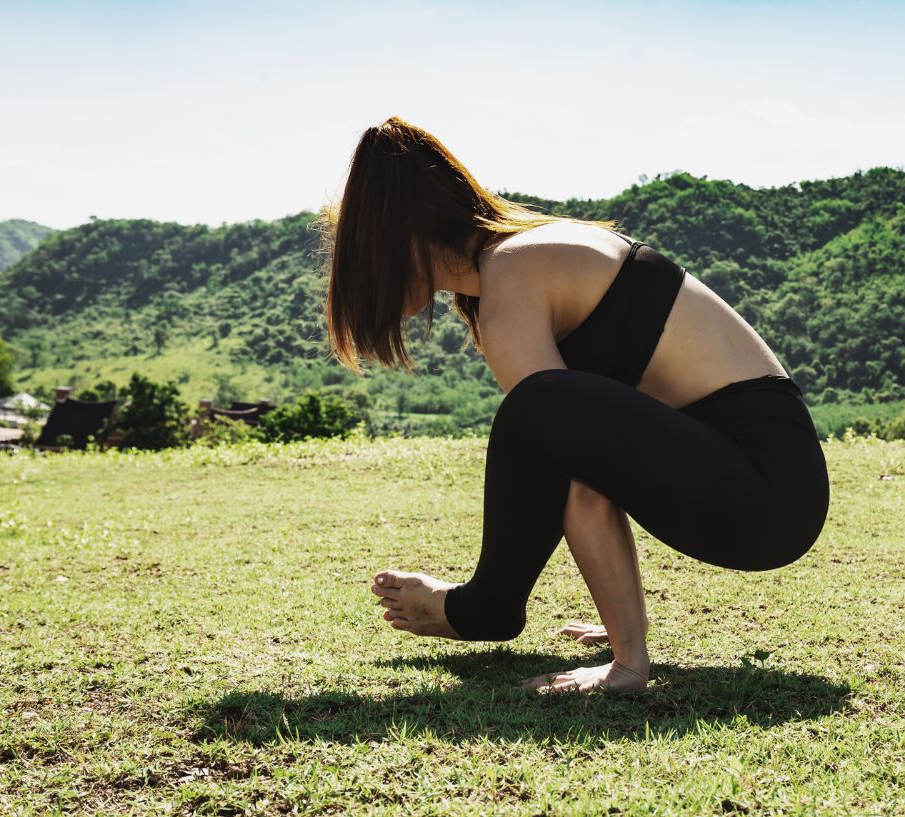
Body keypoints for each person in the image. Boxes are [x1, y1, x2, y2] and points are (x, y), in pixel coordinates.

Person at [317, 116, 829, 694]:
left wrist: (627, 663)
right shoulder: (531, 252)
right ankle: (492, 607)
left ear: (399, 238)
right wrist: (618, 632)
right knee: (543, 412)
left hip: (762, 493)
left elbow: (576, 470)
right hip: (769, 485)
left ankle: (488, 606)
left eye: (360, 257)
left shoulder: (510, 278)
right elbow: (606, 456)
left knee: (538, 410)